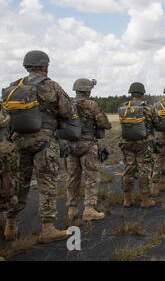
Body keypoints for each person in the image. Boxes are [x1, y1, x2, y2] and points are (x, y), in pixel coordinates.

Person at [2, 50, 73, 243]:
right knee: (47, 183)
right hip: (44, 141)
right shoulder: (50, 86)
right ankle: (48, 228)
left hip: (17, 141)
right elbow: (67, 110)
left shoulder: (13, 86)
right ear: (44, 66)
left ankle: (10, 224)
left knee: (18, 184)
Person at [65, 78, 112, 221]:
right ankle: (89, 209)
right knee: (92, 177)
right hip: (87, 145)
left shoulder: (67, 104)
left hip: (70, 145)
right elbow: (105, 123)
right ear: (87, 90)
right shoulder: (91, 105)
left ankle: (72, 209)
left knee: (73, 177)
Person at [118, 82, 160, 208]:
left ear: (131, 93)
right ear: (142, 93)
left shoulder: (123, 106)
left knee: (128, 170)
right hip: (144, 143)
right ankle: (145, 200)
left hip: (127, 143)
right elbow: (157, 123)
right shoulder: (148, 108)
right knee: (144, 170)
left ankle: (127, 198)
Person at [0, 106, 19, 241]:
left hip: (5, 155)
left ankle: (10, 228)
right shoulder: (5, 110)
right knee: (10, 191)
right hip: (6, 154)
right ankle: (10, 226)